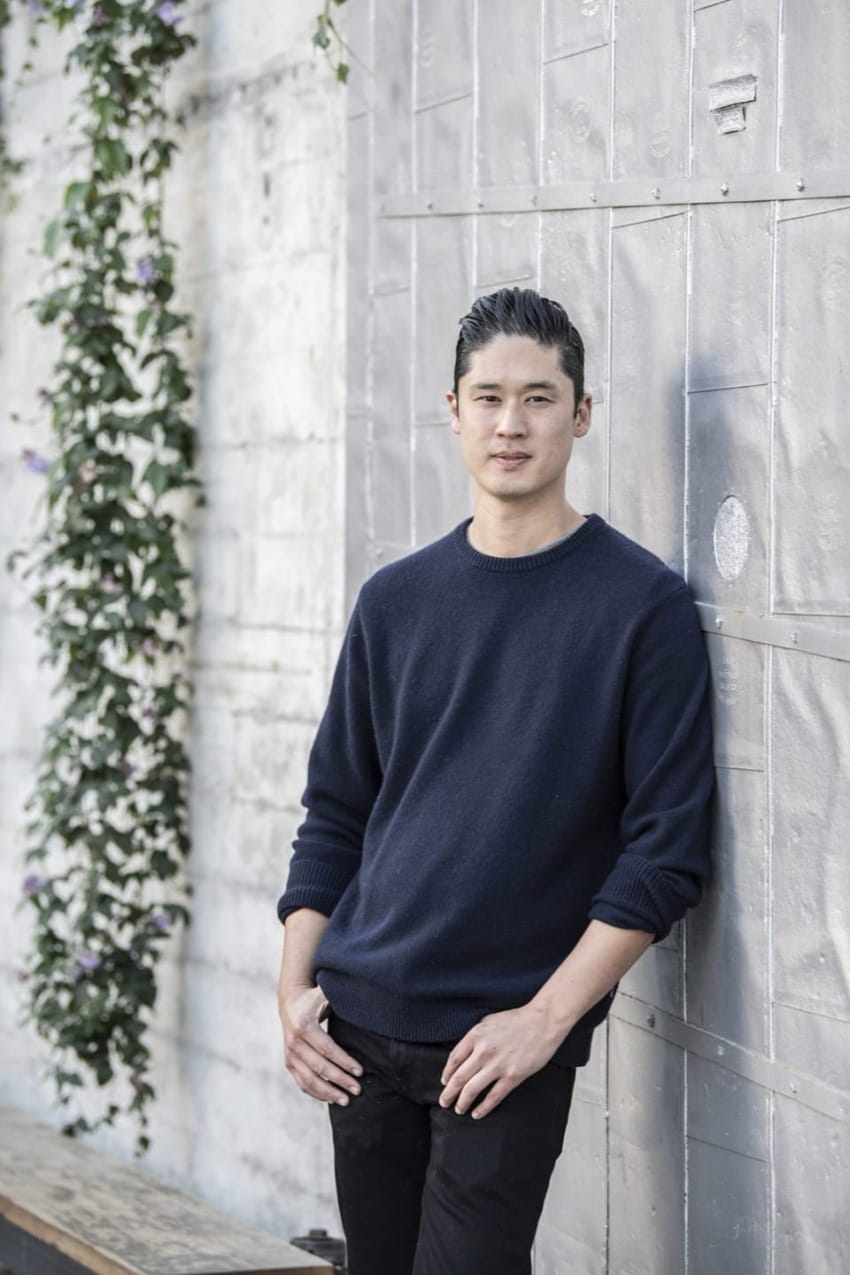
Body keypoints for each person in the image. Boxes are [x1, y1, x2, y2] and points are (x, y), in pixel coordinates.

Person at [276, 287, 714, 1275]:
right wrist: (294, 981)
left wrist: (548, 1022)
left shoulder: (642, 608)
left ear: (581, 411)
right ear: (453, 408)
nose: (510, 423)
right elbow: (337, 808)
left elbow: (666, 852)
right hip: (358, 1028)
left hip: (500, 1044)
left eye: (539, 397)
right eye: (487, 397)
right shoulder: (395, 600)